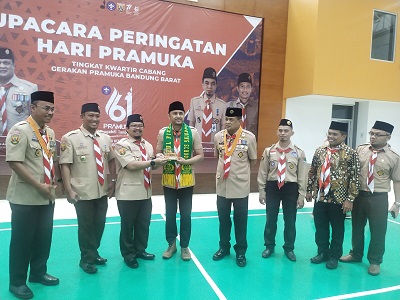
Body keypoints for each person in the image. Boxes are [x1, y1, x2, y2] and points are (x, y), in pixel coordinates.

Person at [6, 91, 60, 300]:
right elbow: (14, 163)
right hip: (25, 197)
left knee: (43, 238)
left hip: (47, 195)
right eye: (46, 108)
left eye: (52, 109)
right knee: (22, 240)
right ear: (32, 108)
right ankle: (17, 282)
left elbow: (48, 160)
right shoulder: (20, 131)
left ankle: (38, 273)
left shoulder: (50, 133)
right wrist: (38, 185)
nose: (50, 112)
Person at [59, 103, 116, 274]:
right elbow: (65, 165)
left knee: (99, 224)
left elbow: (112, 160)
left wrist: (112, 180)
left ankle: (94, 252)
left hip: (101, 190)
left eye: (97, 116)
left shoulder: (105, 138)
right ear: (82, 116)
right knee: (86, 227)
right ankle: (86, 259)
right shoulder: (70, 138)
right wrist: (68, 189)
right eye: (90, 116)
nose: (94, 119)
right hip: (82, 191)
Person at [340, 121, 400, 276]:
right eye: (371, 133)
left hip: (378, 197)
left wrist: (397, 203)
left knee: (378, 231)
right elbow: (351, 173)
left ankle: (375, 261)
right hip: (359, 195)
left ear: (388, 137)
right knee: (357, 227)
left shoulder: (393, 157)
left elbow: (397, 181)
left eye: (377, 134)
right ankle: (355, 254)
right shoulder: (361, 150)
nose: (373, 137)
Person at [114, 114, 168, 269]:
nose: (137, 128)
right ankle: (128, 255)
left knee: (143, 224)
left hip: (145, 192)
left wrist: (159, 159)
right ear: (127, 128)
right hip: (128, 194)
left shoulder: (148, 145)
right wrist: (152, 161)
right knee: (127, 226)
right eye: (134, 126)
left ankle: (140, 250)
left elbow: (152, 166)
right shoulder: (121, 145)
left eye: (140, 125)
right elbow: (131, 165)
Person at [306, 121, 360, 270]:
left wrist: (350, 199)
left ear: (343, 136)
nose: (331, 136)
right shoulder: (320, 151)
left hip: (339, 199)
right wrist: (309, 190)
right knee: (320, 227)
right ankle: (322, 252)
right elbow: (313, 171)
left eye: (335, 134)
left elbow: (355, 177)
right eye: (329, 133)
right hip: (321, 197)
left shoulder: (351, 153)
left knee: (337, 229)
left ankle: (334, 256)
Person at [156, 101, 204, 261]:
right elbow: (158, 152)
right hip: (169, 181)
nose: (178, 116)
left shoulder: (193, 132)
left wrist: (186, 162)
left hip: (186, 180)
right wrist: (160, 158)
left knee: (186, 215)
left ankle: (184, 246)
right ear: (169, 116)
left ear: (184, 115)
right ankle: (171, 245)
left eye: (180, 113)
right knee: (170, 215)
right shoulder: (163, 133)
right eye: (174, 113)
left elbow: (200, 155)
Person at [212, 107, 257, 267]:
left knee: (240, 221)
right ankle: (224, 248)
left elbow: (252, 160)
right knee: (223, 220)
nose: (228, 122)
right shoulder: (218, 136)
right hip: (222, 186)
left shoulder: (249, 138)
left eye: (232, 119)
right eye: (226, 119)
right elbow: (218, 157)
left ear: (240, 121)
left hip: (240, 186)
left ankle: (240, 252)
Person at [257, 119, 307, 262]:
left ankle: (289, 248)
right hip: (273, 187)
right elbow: (263, 172)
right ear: (277, 132)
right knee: (270, 219)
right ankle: (269, 246)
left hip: (290, 188)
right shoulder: (269, 151)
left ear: (292, 133)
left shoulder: (298, 153)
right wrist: (262, 190)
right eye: (280, 130)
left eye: (286, 131)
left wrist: (301, 195)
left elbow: (302, 175)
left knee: (290, 220)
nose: (283, 133)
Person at [0, 47, 38, 136]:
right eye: (0, 63)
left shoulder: (30, 89)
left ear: (14, 66)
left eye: (6, 63)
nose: (2, 66)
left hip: (19, 141)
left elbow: (36, 119)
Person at [187, 67, 226, 143]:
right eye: (207, 83)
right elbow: (191, 124)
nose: (209, 87)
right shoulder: (194, 102)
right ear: (202, 84)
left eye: (213, 84)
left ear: (216, 85)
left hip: (214, 147)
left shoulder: (222, 105)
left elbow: (223, 128)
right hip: (197, 146)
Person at [227, 73, 258, 137]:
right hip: (232, 144)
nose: (245, 90)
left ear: (251, 89)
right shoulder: (229, 106)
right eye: (242, 86)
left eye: (248, 87)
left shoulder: (257, 108)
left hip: (250, 144)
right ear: (237, 88)